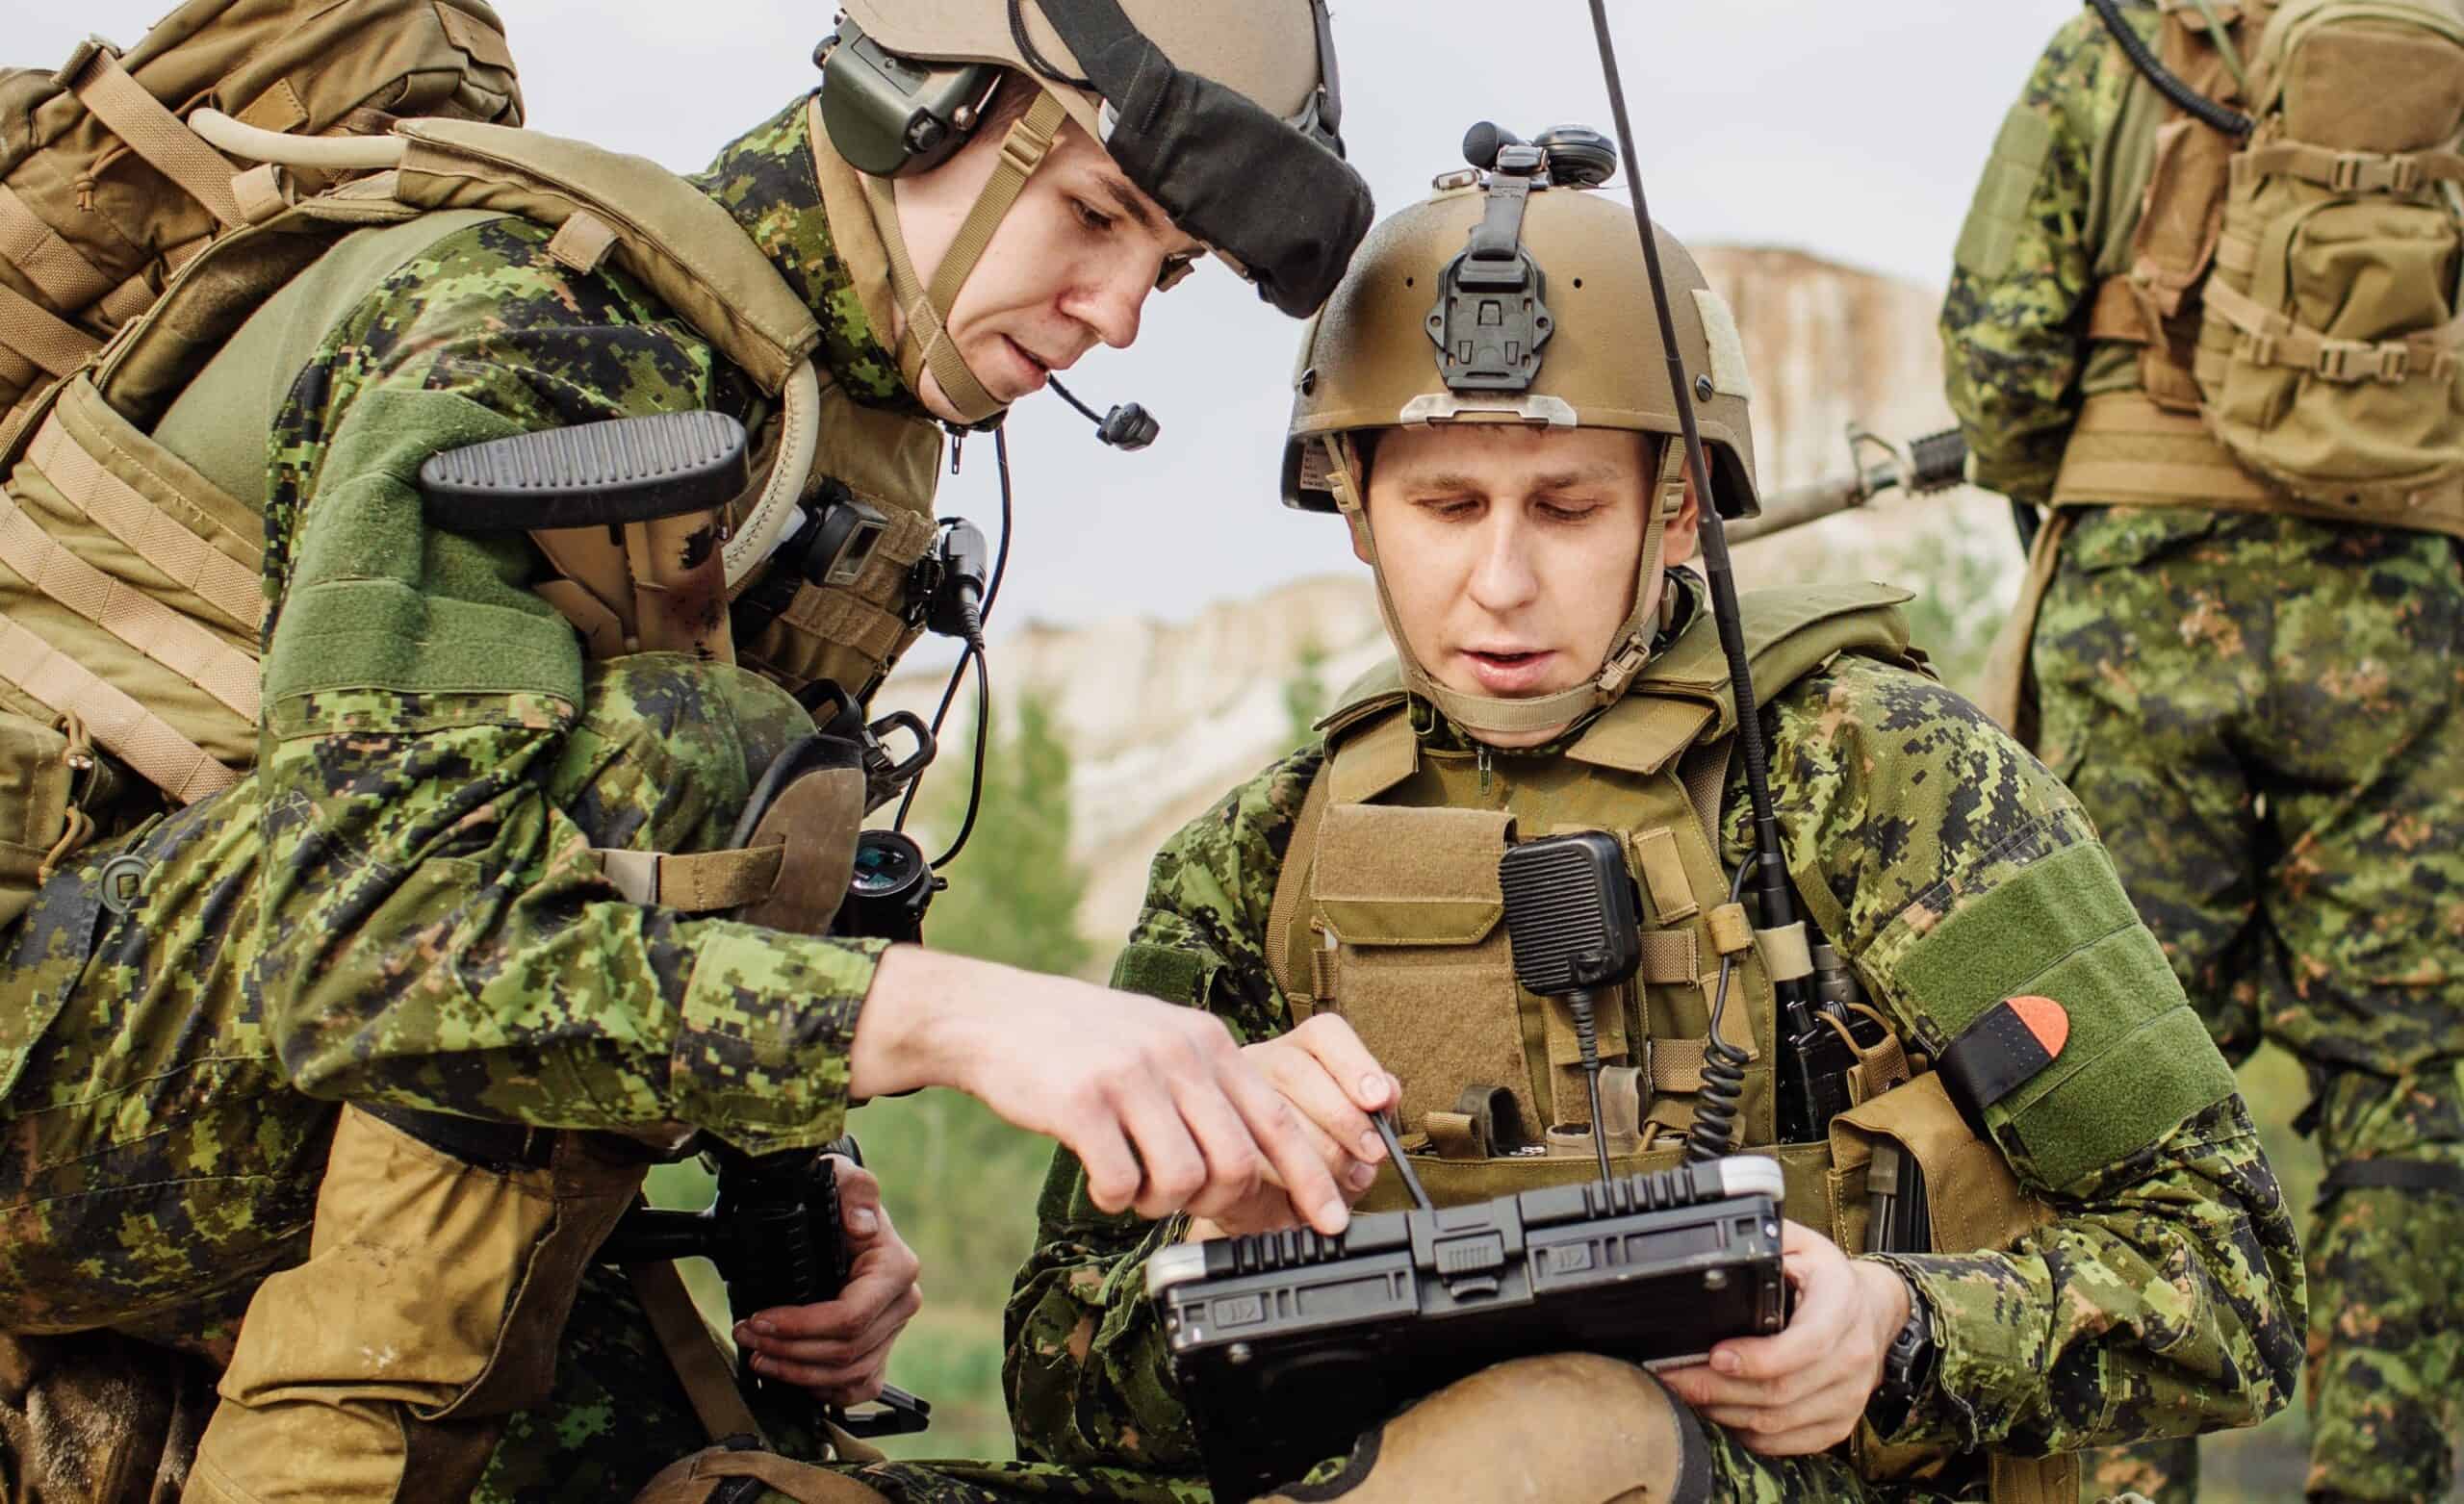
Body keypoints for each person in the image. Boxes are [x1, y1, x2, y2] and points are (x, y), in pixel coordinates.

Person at [0, 3, 1380, 1501]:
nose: (1115, 313)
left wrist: (795, 1180)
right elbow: (376, 952)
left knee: (726, 1477)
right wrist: (962, 1021)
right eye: (1092, 218)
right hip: (75, 1066)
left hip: (242, 1094)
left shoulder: (820, 419)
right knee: (676, 751)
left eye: (1163, 273)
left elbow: (673, 916)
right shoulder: (543, 330)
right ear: (909, 106)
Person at [996, 129, 2306, 1503]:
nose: (1499, 581)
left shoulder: (1876, 774)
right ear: (1358, 511)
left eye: (1565, 507)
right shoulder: (1261, 855)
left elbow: (2232, 1273)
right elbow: (1054, 1384)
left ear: (1677, 508)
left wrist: (1900, 1330)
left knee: (1574, 1432)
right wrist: (1221, 1244)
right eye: (1446, 504)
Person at [1941, 2, 2464, 1498]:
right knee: (2416, 1085)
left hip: (2143, 611)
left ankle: (2126, 1483)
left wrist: (2096, 482)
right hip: (2407, 625)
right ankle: (2391, 1479)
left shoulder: (2130, 38)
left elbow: (1997, 345)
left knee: (2122, 1081)